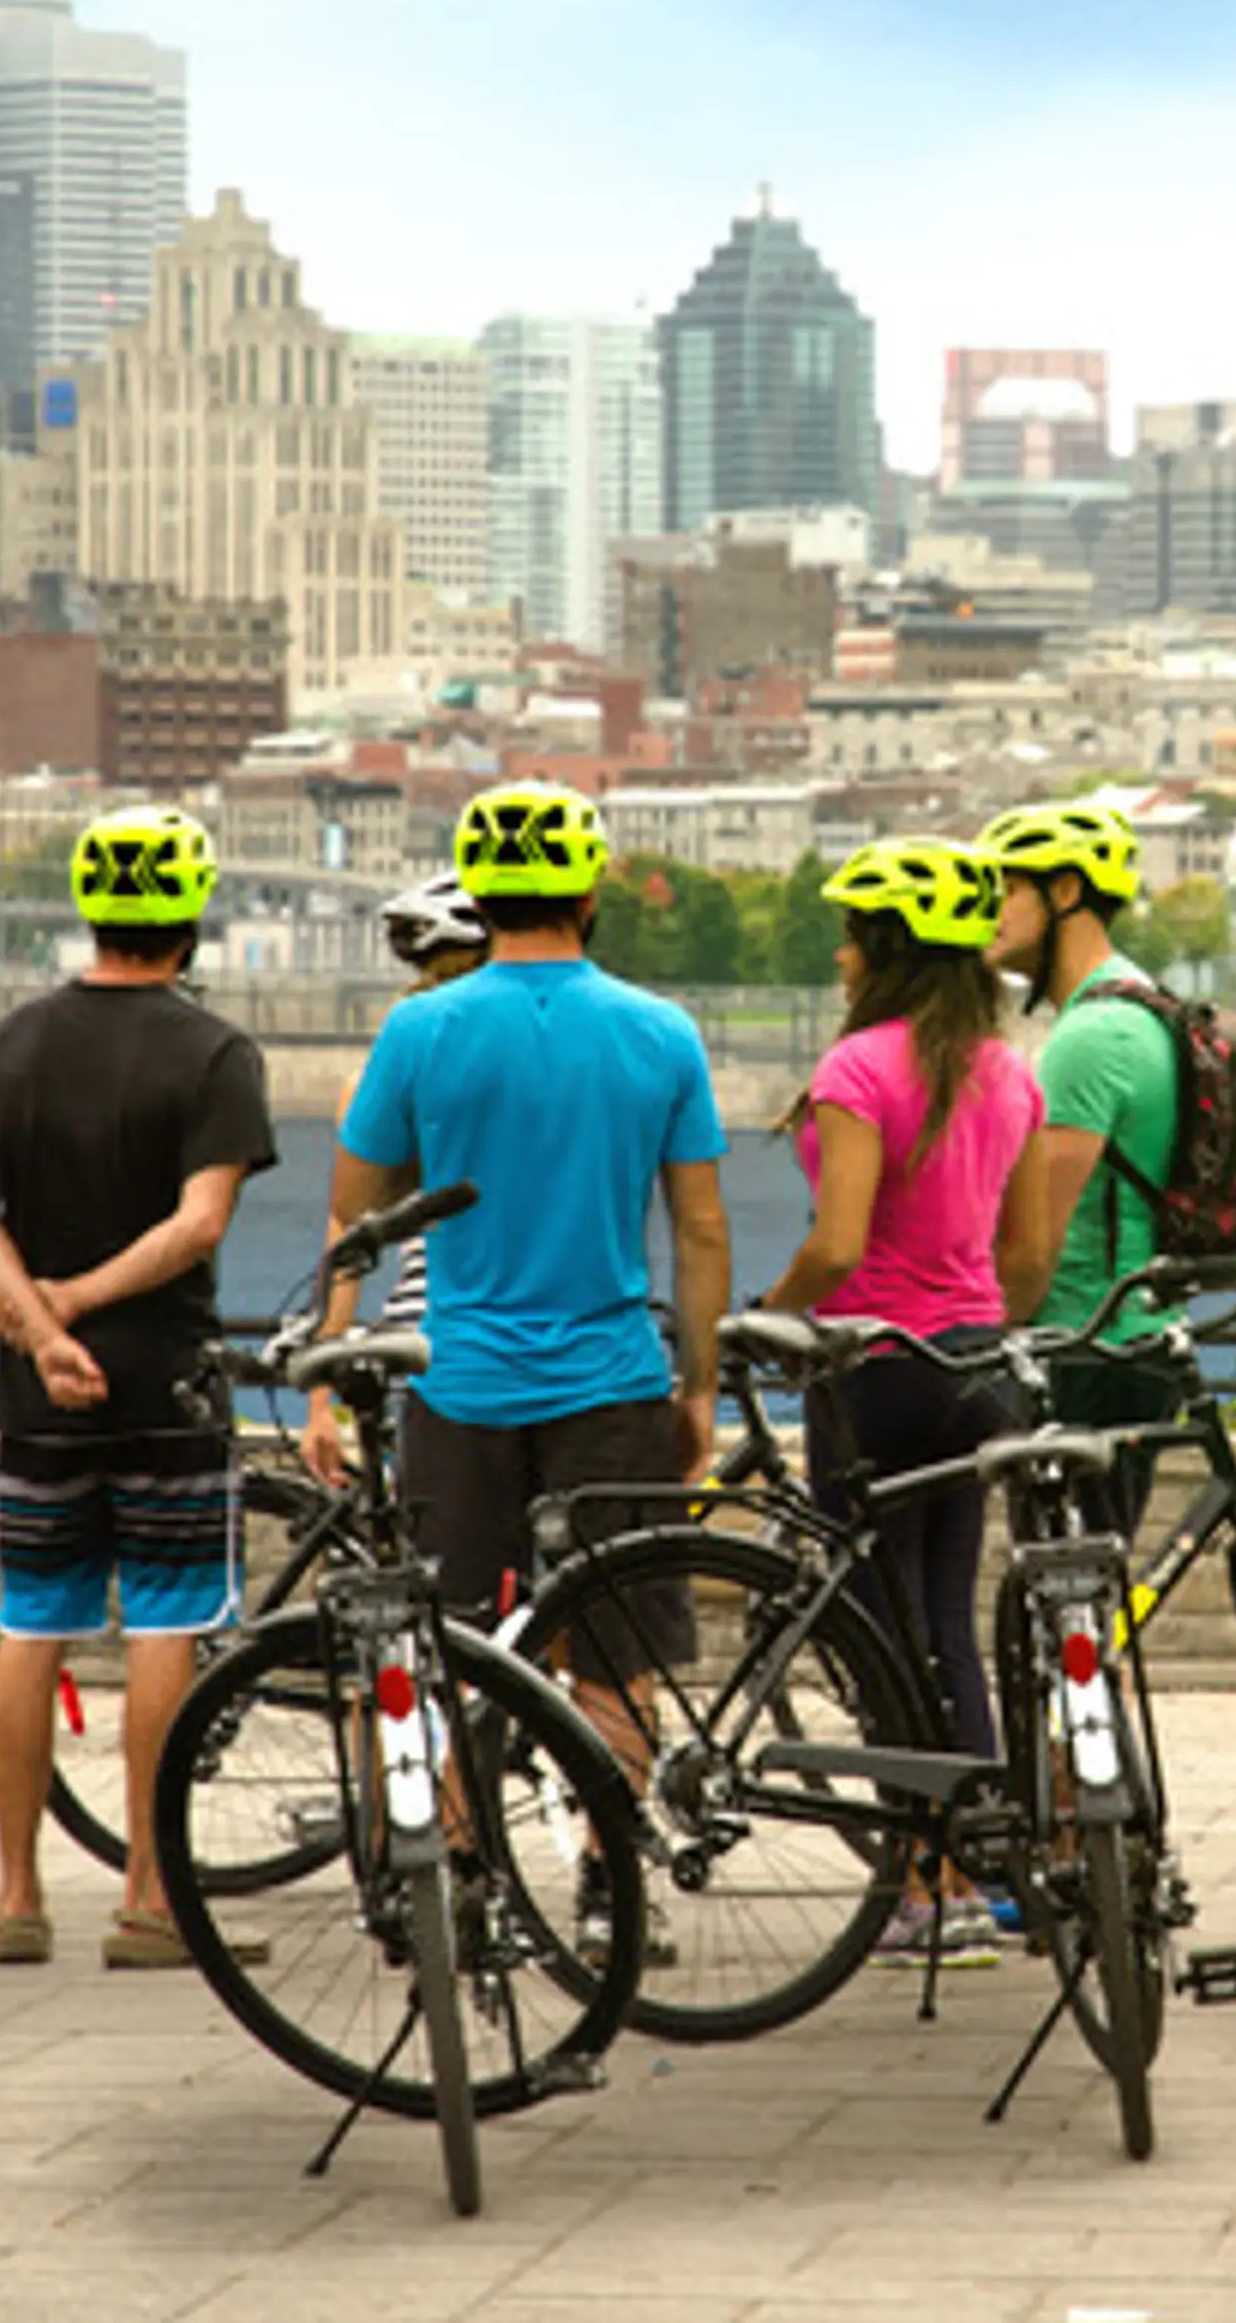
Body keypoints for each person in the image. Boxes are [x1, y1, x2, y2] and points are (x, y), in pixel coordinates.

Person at [324, 782, 729, 1950]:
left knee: (444, 1642)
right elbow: (701, 1231)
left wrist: (326, 1363)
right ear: (590, 892)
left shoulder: (422, 1030)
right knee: (616, 1652)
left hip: (458, 1385)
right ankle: (612, 1887)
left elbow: (360, 1214)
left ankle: (449, 1872)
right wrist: (694, 1386)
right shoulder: (660, 1032)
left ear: (483, 896)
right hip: (613, 1378)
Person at [0, 805, 280, 1970]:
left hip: (39, 1393)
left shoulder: (3, 1045)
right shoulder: (216, 1054)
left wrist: (37, 1327)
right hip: (165, 1382)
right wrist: (80, 1306)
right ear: (190, 920)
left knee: (31, 1626)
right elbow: (199, 1225)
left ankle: (16, 1898)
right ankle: (150, 1897)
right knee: (168, 1627)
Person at [758, 836, 1046, 1964]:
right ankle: (970, 1873)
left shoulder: (857, 1072)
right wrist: (972, 1324)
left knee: (880, 1635)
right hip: (972, 1368)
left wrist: (771, 1318)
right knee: (949, 1631)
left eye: (849, 936)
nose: (836, 954)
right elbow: (1025, 1258)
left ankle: (918, 1892)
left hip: (870, 1372)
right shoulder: (1008, 1071)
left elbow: (838, 1242)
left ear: (883, 950)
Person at [980, 801, 1187, 1532]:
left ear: (1065, 892)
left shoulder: (1091, 1036)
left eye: (1005, 889)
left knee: (1065, 1591)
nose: (986, 911)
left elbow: (1038, 1239)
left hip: (1087, 1344)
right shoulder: (1143, 1001)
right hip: (1134, 1335)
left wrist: (977, 1341)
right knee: (1088, 1587)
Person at [297, 875, 488, 1422]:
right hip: (550, 1345)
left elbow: (348, 1235)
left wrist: (318, 1396)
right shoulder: (554, 1065)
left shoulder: (379, 1078)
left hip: (421, 1339)